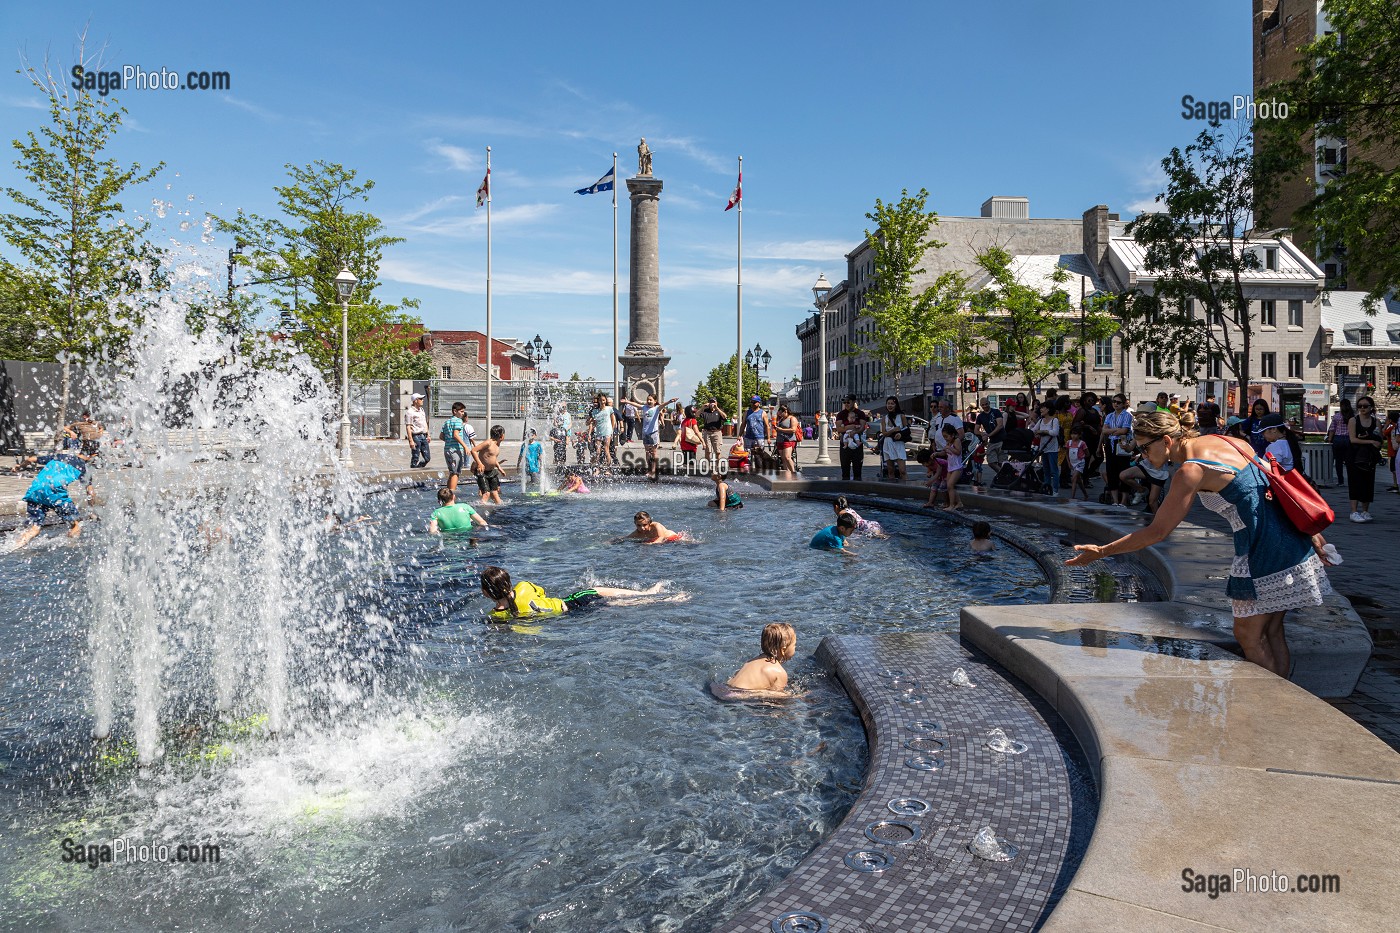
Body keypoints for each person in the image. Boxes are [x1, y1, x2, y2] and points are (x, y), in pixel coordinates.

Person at [1067, 410, 1333, 678]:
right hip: (1288, 537)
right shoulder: (1228, 441)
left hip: (1261, 549)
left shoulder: (1190, 470)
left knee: (1248, 635)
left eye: (1145, 449)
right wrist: (1310, 532)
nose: (1143, 457)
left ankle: (1272, 706)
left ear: (1167, 442)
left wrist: (1102, 551)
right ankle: (1284, 701)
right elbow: (1272, 489)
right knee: (1272, 630)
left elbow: (1157, 532)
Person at [480, 565, 682, 622]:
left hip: (567, 619)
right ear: (509, 582)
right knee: (599, 592)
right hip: (570, 602)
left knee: (611, 605)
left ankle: (664, 598)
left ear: (485, 592)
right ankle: (650, 594)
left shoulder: (497, 617)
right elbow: (543, 592)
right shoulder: (523, 586)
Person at [13, 450, 95, 549]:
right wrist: (92, 510)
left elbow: (31, 459)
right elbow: (91, 493)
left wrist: (19, 467)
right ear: (93, 455)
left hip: (35, 490)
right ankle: (71, 549)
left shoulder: (60, 456)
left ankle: (14, 547)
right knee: (76, 525)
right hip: (55, 493)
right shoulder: (83, 468)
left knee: (34, 528)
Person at [725, 623, 796, 695]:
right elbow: (777, 700)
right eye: (794, 645)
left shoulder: (751, 661)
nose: (795, 647)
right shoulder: (779, 672)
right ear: (783, 650)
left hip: (725, 690)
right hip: (738, 697)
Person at [1347, 395, 1383, 523]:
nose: (1362, 408)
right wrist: (1371, 441)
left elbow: (1380, 439)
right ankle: (1354, 511)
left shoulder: (1376, 421)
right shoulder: (1354, 420)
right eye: (1359, 406)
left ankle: (1365, 511)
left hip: (1369, 457)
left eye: (1365, 406)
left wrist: (1376, 442)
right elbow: (1352, 439)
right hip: (1355, 455)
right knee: (1355, 482)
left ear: (1371, 408)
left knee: (1368, 483)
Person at [639, 394, 678, 481]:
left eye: (651, 400)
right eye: (648, 400)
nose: (649, 401)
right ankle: (649, 469)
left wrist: (670, 401)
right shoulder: (644, 407)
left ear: (655, 401)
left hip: (653, 432)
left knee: (653, 452)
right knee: (647, 452)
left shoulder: (656, 408)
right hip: (645, 433)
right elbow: (636, 405)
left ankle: (654, 469)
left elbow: (663, 405)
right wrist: (627, 401)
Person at [440, 402, 475, 494]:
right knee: (456, 473)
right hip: (455, 450)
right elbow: (456, 435)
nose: (463, 413)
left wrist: (449, 442)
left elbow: (441, 436)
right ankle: (451, 495)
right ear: (455, 411)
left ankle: (446, 494)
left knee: (452, 472)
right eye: (461, 411)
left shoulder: (446, 422)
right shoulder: (458, 421)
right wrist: (465, 447)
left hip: (447, 450)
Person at [470, 425, 509, 505]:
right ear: (501, 435)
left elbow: (493, 459)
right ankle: (480, 511)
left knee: (495, 493)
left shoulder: (497, 445)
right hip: (482, 472)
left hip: (491, 472)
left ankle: (500, 510)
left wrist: (499, 468)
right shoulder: (488, 443)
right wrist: (479, 463)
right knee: (486, 494)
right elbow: (473, 450)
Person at [834, 395, 869, 481]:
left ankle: (857, 489)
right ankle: (845, 489)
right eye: (844, 402)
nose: (846, 404)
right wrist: (852, 426)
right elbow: (839, 428)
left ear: (854, 402)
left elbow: (862, 427)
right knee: (845, 469)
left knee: (857, 469)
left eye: (848, 402)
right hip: (845, 443)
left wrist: (854, 431)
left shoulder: (860, 413)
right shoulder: (841, 414)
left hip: (857, 443)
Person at [1031, 402, 1061, 496]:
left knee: (1054, 471)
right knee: (1046, 470)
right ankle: (1047, 488)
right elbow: (1033, 430)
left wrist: (1043, 431)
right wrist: (1034, 433)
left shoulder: (1054, 420)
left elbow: (1055, 432)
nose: (1041, 410)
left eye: (1043, 408)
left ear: (1048, 409)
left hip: (1052, 449)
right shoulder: (1040, 421)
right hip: (1043, 449)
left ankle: (1055, 490)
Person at [974, 397, 1004, 483]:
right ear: (981, 406)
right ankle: (1003, 475)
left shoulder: (996, 412)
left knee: (1001, 462)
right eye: (983, 405)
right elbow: (976, 430)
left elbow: (1000, 425)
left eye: (986, 404)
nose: (985, 406)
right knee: (991, 461)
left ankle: (1002, 477)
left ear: (989, 403)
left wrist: (989, 435)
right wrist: (982, 433)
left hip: (1001, 439)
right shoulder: (980, 416)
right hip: (992, 441)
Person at [878, 396, 908, 481]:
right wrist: (893, 430)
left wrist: (900, 434)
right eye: (888, 404)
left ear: (896, 405)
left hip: (898, 443)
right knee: (890, 470)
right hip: (888, 443)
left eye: (892, 404)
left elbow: (906, 429)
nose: (890, 405)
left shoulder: (901, 416)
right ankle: (892, 486)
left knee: (902, 470)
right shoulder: (885, 418)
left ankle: (905, 486)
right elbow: (884, 433)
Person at [1326, 398, 1353, 487]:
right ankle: (1351, 480)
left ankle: (1340, 481)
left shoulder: (1337, 416)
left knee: (1338, 461)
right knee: (1349, 461)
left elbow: (1332, 429)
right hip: (1349, 439)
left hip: (1338, 439)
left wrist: (1329, 439)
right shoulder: (1353, 416)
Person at [620, 510, 684, 544]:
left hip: (673, 539)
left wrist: (652, 544)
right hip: (659, 541)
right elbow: (626, 538)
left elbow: (661, 537)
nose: (642, 528)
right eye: (638, 525)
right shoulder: (637, 533)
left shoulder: (656, 526)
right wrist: (613, 541)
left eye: (645, 525)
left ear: (649, 523)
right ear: (635, 524)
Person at [697, 398, 728, 466]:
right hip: (707, 432)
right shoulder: (705, 411)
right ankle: (708, 466)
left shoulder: (719, 411)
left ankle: (718, 466)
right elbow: (696, 415)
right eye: (710, 402)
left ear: (716, 403)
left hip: (716, 432)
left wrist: (717, 408)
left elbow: (725, 417)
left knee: (717, 451)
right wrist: (702, 407)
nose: (712, 403)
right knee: (708, 451)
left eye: (713, 402)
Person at [588, 393, 617, 465]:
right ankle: (597, 468)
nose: (602, 402)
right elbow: (592, 423)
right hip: (599, 432)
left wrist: (612, 430)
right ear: (598, 401)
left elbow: (613, 420)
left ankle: (608, 468)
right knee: (598, 451)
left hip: (607, 432)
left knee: (606, 449)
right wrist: (589, 432)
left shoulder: (609, 409)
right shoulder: (595, 411)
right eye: (600, 400)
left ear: (605, 401)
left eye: (604, 400)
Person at [941, 424, 964, 511]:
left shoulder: (956, 441)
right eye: (944, 437)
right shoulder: (949, 442)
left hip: (957, 467)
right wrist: (937, 454)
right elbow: (945, 453)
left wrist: (949, 448)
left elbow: (958, 452)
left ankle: (951, 505)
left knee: (950, 485)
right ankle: (959, 503)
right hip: (950, 467)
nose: (945, 438)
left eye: (946, 436)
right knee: (949, 486)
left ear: (952, 435)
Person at [772, 404, 801, 474]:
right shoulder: (782, 419)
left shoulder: (792, 418)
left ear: (785, 411)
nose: (780, 415)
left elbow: (793, 430)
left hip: (789, 440)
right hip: (780, 440)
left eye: (780, 413)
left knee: (787, 457)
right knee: (783, 458)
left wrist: (781, 429)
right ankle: (787, 473)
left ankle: (793, 472)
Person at [405, 392, 430, 468]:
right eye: (421, 399)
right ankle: (413, 471)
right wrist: (411, 440)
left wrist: (428, 434)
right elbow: (408, 426)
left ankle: (418, 468)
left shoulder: (422, 410)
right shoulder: (410, 412)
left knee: (427, 458)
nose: (422, 400)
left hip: (423, 436)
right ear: (415, 400)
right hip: (416, 436)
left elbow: (425, 423)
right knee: (415, 457)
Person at [1066, 425, 1090, 500]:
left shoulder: (1082, 443)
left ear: (1079, 435)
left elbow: (1087, 453)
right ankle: (1085, 494)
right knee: (1078, 481)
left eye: (1075, 434)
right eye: (1072, 434)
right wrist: (1069, 463)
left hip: (1080, 463)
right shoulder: (1068, 443)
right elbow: (1066, 453)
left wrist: (1082, 457)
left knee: (1074, 478)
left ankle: (1072, 497)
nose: (1073, 436)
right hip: (1072, 462)